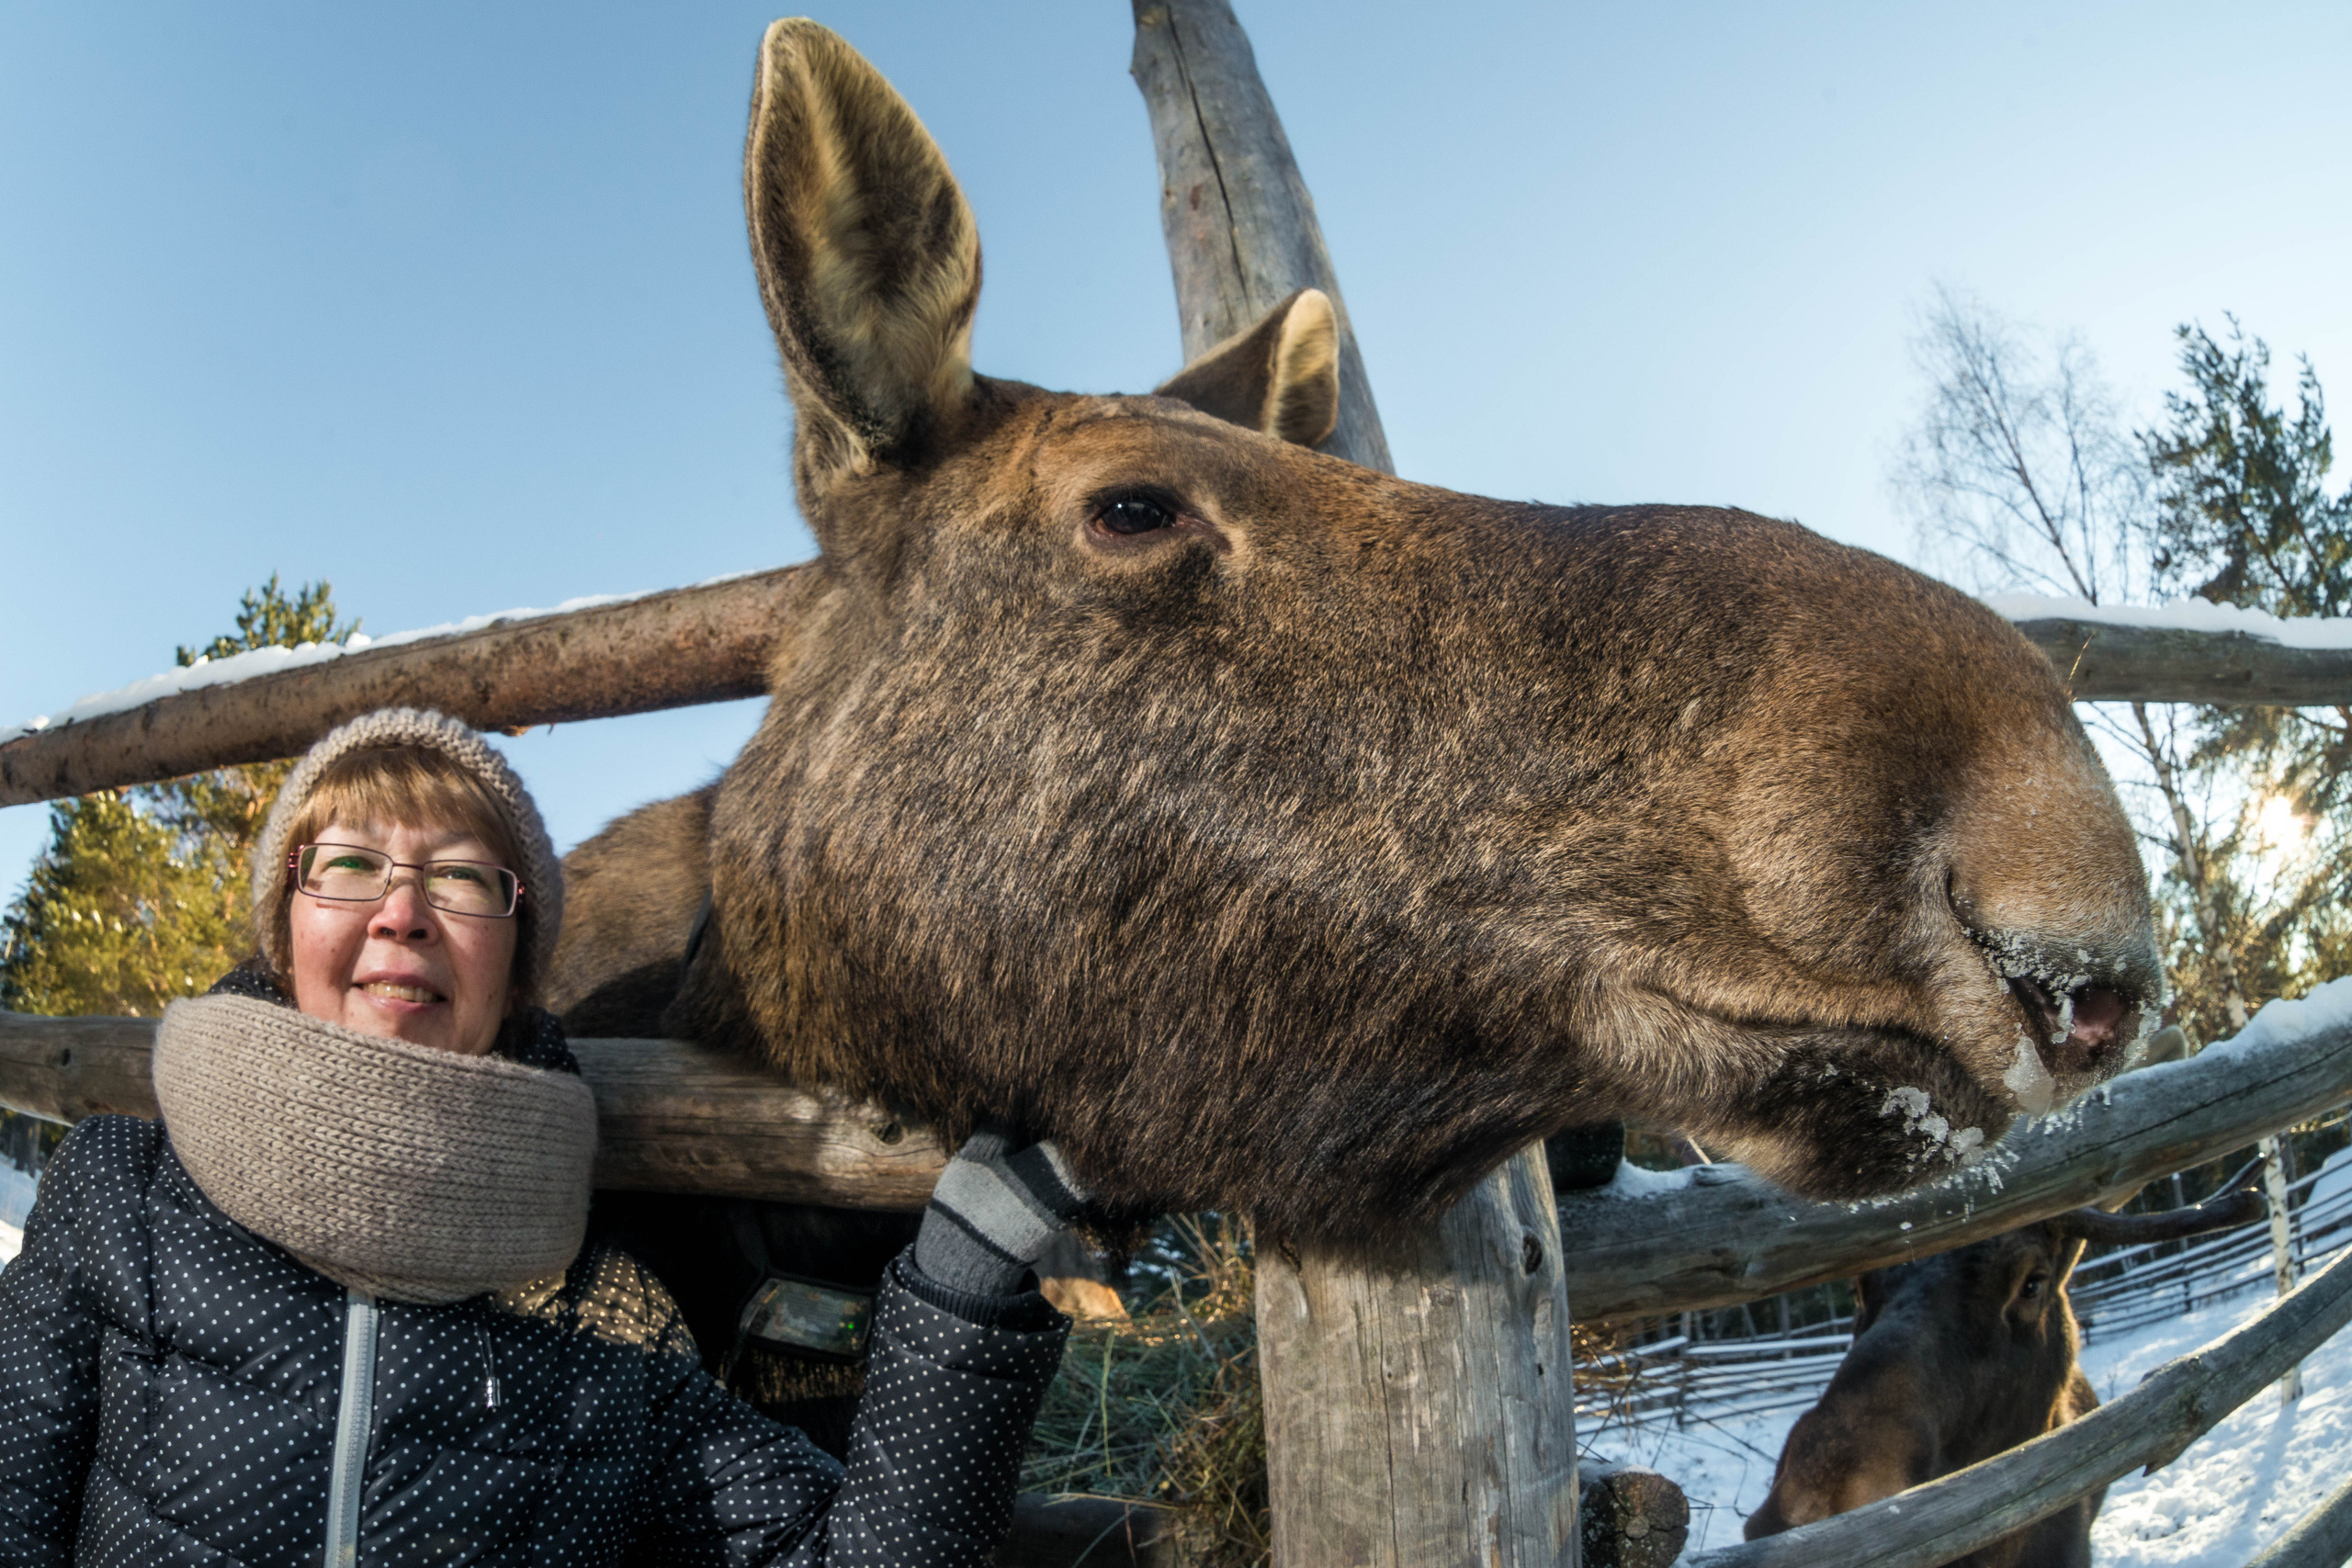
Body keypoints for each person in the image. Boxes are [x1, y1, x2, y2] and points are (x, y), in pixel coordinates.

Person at [0, 707, 1088, 1566]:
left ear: (521, 970)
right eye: (346, 864)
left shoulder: (605, 1325)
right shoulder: (121, 1199)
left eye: (464, 878)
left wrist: (958, 1293)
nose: (402, 910)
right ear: (284, 928)